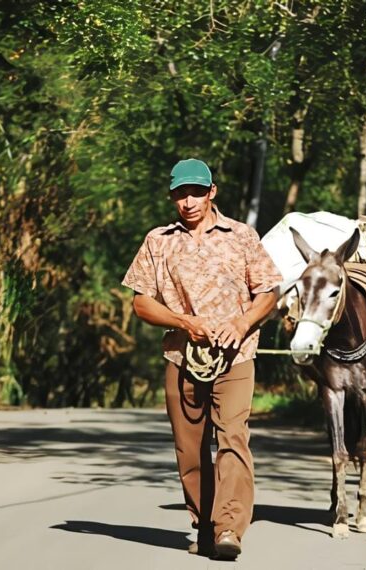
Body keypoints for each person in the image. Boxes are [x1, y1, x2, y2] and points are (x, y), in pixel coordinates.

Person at [121, 158, 281, 560]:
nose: (188, 201)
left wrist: (242, 322)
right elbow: (141, 303)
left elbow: (268, 293)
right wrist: (183, 322)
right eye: (180, 193)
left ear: (212, 192)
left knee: (232, 437)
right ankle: (205, 525)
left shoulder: (242, 236)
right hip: (181, 357)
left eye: (196, 192)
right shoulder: (158, 241)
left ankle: (229, 528)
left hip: (236, 356)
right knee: (189, 449)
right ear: (172, 197)